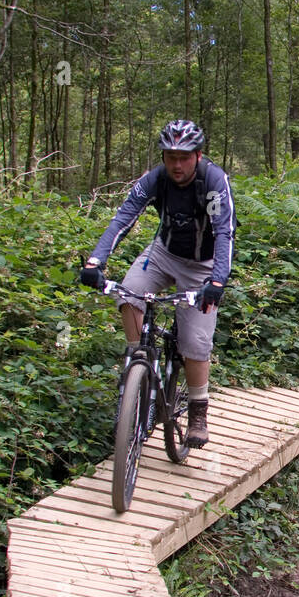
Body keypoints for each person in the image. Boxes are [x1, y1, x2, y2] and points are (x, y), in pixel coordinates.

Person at [79, 119, 235, 447]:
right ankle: (140, 366)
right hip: (162, 255)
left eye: (184, 157)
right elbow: (124, 217)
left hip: (201, 265)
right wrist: (95, 261)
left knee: (194, 343)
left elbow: (224, 231)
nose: (176, 164)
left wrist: (217, 281)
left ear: (198, 155)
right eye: (170, 156)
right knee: (127, 294)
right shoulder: (156, 179)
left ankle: (197, 411)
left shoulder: (212, 181)